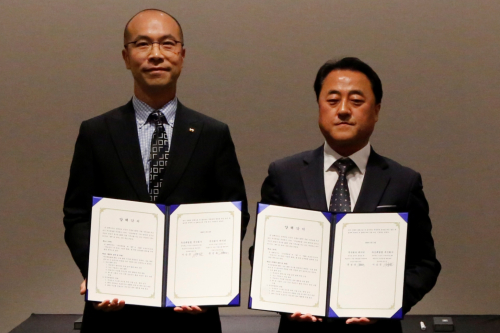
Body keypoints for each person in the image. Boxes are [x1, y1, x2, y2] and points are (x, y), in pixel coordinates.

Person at [63, 9, 249, 333]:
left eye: (167, 44)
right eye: (142, 44)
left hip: (190, 314)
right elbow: (77, 215)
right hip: (114, 313)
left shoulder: (212, 134)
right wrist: (98, 271)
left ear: (182, 54)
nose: (156, 55)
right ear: (126, 56)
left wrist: (208, 281)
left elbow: (234, 214)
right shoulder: (96, 132)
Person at [251, 57, 440, 333]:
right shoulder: (284, 173)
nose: (342, 110)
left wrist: (388, 306)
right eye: (332, 100)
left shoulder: (403, 181)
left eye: (356, 101)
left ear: (376, 111)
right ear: (319, 106)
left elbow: (424, 264)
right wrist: (286, 303)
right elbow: (262, 253)